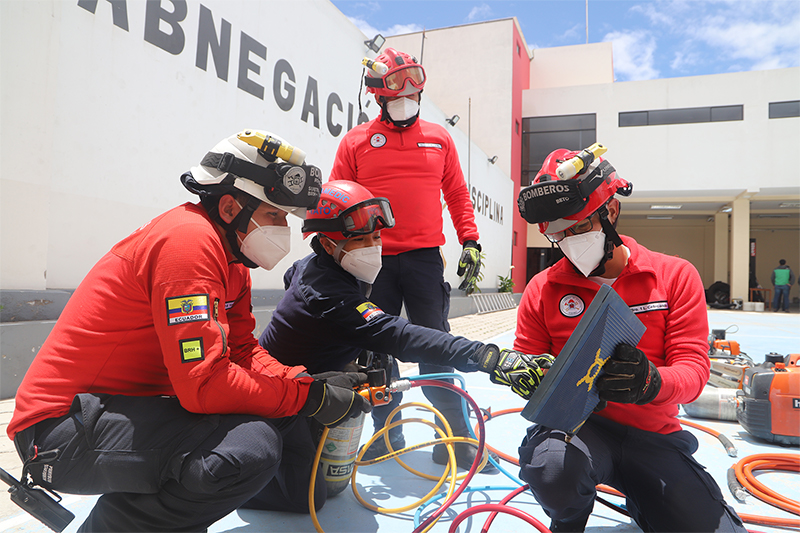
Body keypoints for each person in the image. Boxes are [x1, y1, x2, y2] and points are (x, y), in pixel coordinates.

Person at [6, 130, 374, 532]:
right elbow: (205, 386)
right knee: (250, 448)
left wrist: (305, 382)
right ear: (231, 207)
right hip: (59, 431)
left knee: (288, 418)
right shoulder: (188, 243)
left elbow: (242, 351)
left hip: (118, 411)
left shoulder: (232, 261)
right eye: (274, 215)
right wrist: (309, 397)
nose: (282, 227)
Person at [514, 145, 746, 532]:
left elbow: (693, 369)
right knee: (553, 469)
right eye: (559, 234)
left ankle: (651, 501)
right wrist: (527, 375)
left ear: (611, 210)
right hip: (576, 431)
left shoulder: (673, 276)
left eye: (579, 227)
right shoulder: (542, 289)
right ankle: (568, 520)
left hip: (653, 435)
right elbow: (527, 362)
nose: (570, 241)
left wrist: (652, 382)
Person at [259, 180, 553, 475]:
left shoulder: (318, 265)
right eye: (360, 240)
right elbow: (400, 336)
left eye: (376, 237)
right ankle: (382, 436)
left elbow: (291, 277)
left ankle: (434, 437)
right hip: (280, 398)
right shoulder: (328, 295)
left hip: (300, 382)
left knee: (376, 357)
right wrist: (489, 357)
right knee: (310, 490)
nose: (373, 247)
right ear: (327, 244)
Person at [328, 47, 484, 469]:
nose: (406, 101)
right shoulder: (356, 141)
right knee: (376, 352)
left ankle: (457, 437)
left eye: (413, 94)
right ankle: (387, 434)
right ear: (379, 97)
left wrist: (470, 240)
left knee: (437, 346)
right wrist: (336, 251)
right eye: (397, 95)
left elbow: (457, 193)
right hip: (371, 260)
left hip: (424, 259)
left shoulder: (440, 137)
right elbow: (337, 197)